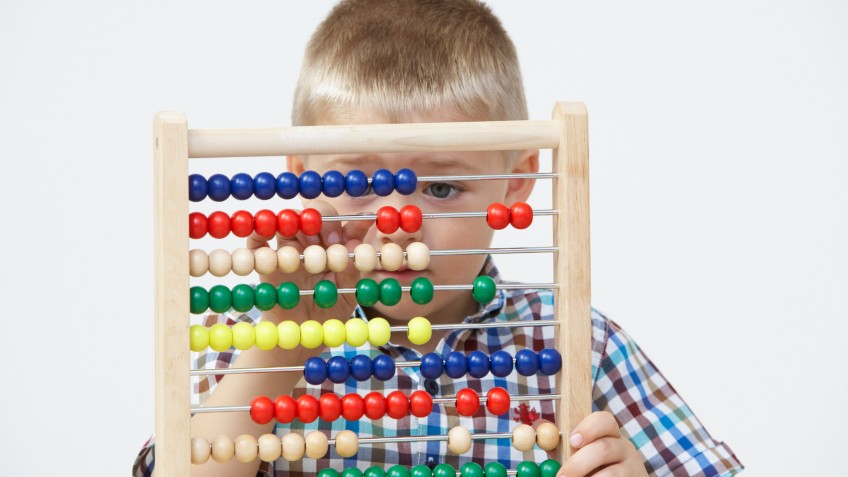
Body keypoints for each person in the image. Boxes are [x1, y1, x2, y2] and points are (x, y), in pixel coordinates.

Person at [134, 1, 743, 476]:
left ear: (517, 182)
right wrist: (280, 351)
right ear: (303, 178)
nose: (400, 221)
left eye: (443, 188)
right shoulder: (251, 343)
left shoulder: (578, 344)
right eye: (360, 184)